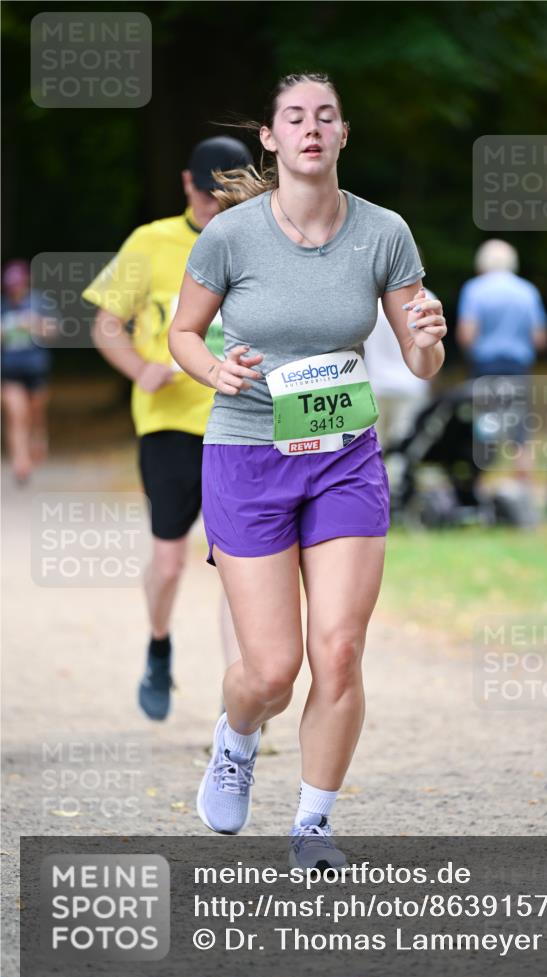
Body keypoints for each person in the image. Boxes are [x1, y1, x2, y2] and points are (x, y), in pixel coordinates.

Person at [168, 72, 446, 867]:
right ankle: (236, 738)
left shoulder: (383, 232)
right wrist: (214, 370)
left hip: (343, 458)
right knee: (270, 671)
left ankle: (312, 825)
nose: (311, 128)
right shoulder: (230, 236)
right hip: (246, 455)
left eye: (326, 116)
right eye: (294, 117)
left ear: (343, 134)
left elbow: (421, 360)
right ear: (271, 137)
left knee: (340, 650)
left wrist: (428, 337)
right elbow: (184, 333)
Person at [82, 136, 252, 722]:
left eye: (225, 195)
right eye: (205, 193)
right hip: (169, 422)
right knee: (171, 561)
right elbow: (106, 324)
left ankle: (237, 700)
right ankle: (159, 645)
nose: (213, 204)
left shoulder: (259, 239)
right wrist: (140, 369)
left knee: (239, 566)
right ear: (186, 184)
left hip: (242, 421)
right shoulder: (150, 242)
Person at [456, 240, 547, 480]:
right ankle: (523, 487)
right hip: (518, 367)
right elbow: (539, 338)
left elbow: (467, 335)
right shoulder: (527, 291)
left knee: (482, 426)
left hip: (484, 367)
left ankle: (477, 484)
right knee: (520, 430)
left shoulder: (474, 290)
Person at [1, 259, 58, 484]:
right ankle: (20, 462)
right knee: (16, 415)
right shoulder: (2, 307)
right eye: (11, 285)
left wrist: (35, 325)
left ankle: (38, 436)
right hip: (9, 370)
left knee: (35, 414)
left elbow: (55, 331)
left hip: (36, 368)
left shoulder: (40, 303)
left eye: (18, 284)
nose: (15, 289)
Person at [364, 292, 434, 449]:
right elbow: (431, 350)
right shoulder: (426, 299)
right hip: (411, 385)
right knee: (404, 447)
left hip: (375, 384)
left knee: (374, 446)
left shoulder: (370, 302)